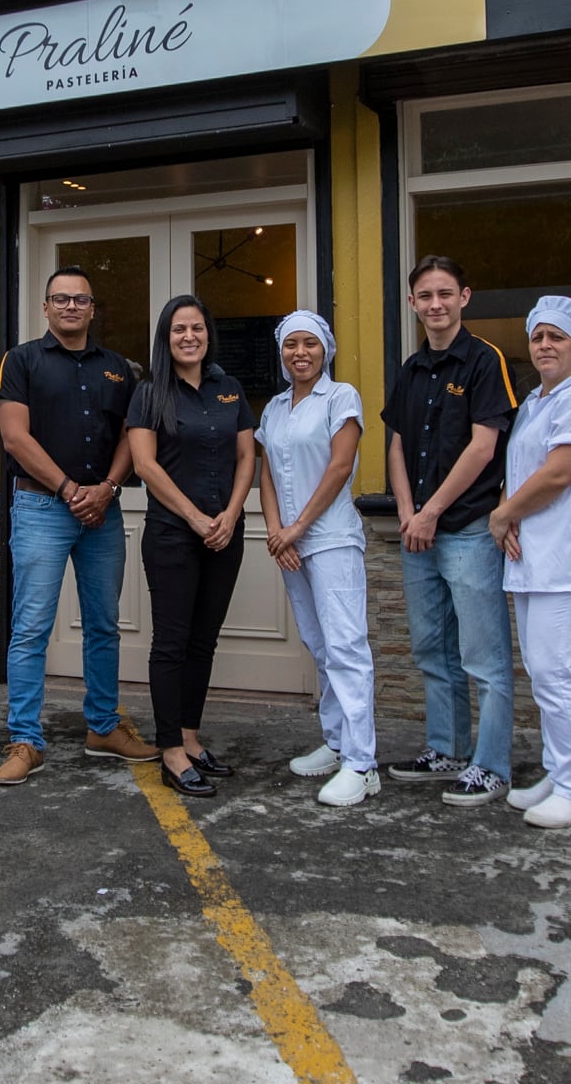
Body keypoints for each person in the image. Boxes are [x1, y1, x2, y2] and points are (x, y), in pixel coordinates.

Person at [0, 266, 157, 786]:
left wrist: (107, 488)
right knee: (31, 628)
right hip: (42, 508)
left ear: (92, 309)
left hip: (102, 513)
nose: (70, 307)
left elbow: (134, 434)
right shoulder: (20, 360)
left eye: (80, 300)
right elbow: (14, 438)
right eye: (60, 299)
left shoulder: (118, 368)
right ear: (45, 307)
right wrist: (69, 490)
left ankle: (104, 727)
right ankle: (24, 739)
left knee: (103, 625)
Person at [381, 255, 518, 807]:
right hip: (419, 531)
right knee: (432, 651)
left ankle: (491, 765)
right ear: (412, 304)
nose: (435, 304)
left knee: (484, 658)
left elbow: (484, 447)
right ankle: (447, 749)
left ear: (464, 297)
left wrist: (432, 511)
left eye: (445, 293)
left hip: (466, 531)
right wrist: (409, 511)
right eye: (425, 296)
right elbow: (395, 444)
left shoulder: (486, 362)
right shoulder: (411, 368)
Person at [488, 296, 571, 828]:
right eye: (538, 336)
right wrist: (511, 513)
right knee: (543, 675)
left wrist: (502, 516)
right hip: (534, 558)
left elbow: (560, 473)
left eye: (556, 337)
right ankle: (557, 770)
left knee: (556, 674)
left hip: (567, 559)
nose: (544, 345)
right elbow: (522, 472)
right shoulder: (537, 402)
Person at [125, 295, 256, 798]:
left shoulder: (230, 389)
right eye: (179, 329)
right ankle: (170, 751)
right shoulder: (149, 392)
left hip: (226, 531)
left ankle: (191, 736)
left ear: (207, 334)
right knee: (172, 643)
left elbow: (247, 455)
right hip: (173, 534)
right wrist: (196, 517)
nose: (189, 337)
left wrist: (230, 512)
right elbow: (145, 466)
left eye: (197, 328)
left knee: (204, 641)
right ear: (166, 336)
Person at [260, 311, 382, 808]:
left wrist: (296, 529)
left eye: (310, 343)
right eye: (291, 345)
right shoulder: (274, 407)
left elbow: (340, 467)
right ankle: (336, 743)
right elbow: (265, 473)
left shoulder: (342, 397)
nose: (300, 353)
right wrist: (276, 533)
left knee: (347, 647)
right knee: (320, 644)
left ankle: (363, 764)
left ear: (325, 349)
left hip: (329, 539)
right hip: (290, 543)